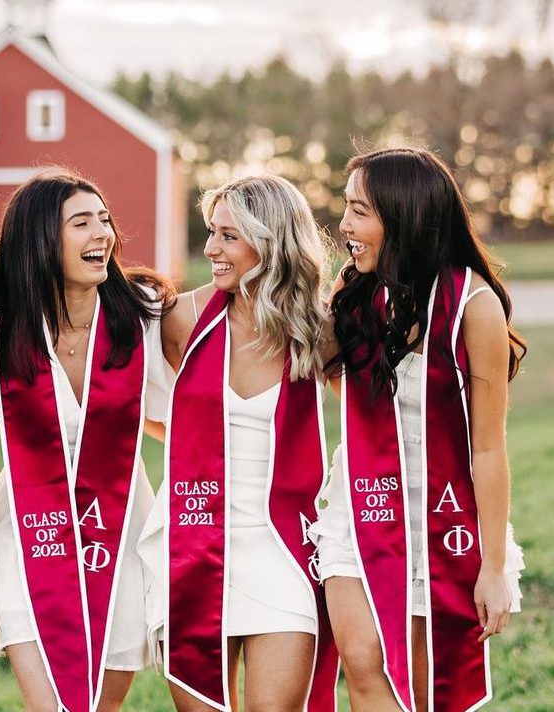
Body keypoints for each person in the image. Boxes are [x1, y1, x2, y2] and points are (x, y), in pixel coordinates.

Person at [310, 147, 526, 711]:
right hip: (362, 506)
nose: (346, 226)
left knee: (429, 685)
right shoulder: (358, 294)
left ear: (402, 215)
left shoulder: (473, 305)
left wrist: (495, 567)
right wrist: (334, 307)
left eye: (360, 211)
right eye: (347, 209)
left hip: (442, 516)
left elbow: (489, 444)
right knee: (360, 658)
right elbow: (347, 394)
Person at [138, 175, 339, 712]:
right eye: (210, 232)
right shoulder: (181, 318)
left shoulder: (316, 327)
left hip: (281, 548)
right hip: (195, 542)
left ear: (270, 240)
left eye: (228, 236)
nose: (209, 249)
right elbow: (145, 413)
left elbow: (375, 419)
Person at [0, 170, 173, 712]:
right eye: (81, 223)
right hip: (29, 533)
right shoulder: (0, 324)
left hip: (121, 534)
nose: (102, 235)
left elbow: (175, 412)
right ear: (41, 239)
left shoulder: (144, 318)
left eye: (104, 221)